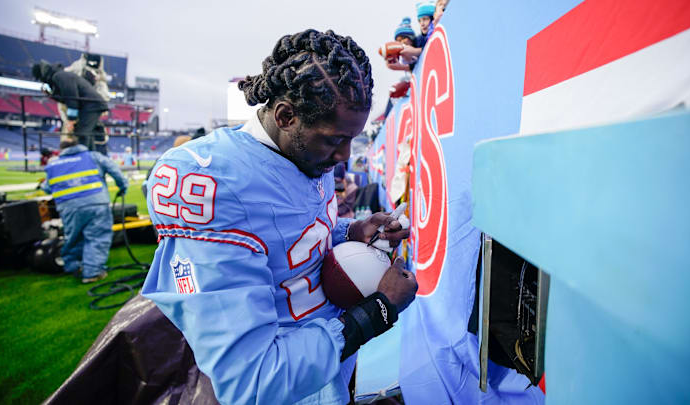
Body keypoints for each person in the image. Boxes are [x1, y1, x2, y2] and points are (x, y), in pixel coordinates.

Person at [141, 29, 418, 404]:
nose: (344, 157)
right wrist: (379, 310)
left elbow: (288, 238)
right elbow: (252, 379)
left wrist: (350, 230)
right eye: (335, 139)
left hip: (330, 366)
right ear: (286, 116)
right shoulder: (213, 179)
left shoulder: (302, 154)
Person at [41, 135, 128, 283]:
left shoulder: (53, 165)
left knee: (73, 237)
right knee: (97, 237)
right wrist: (122, 187)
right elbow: (115, 170)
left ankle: (73, 266)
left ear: (61, 149)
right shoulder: (93, 157)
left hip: (68, 208)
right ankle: (92, 273)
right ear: (78, 145)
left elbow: (47, 188)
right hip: (96, 203)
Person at [32, 61, 109, 151]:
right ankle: (89, 157)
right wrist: (51, 95)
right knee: (84, 132)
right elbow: (67, 98)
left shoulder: (59, 76)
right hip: (90, 104)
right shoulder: (59, 76)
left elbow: (71, 97)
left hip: (91, 104)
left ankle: (83, 159)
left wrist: (71, 120)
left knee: (82, 132)